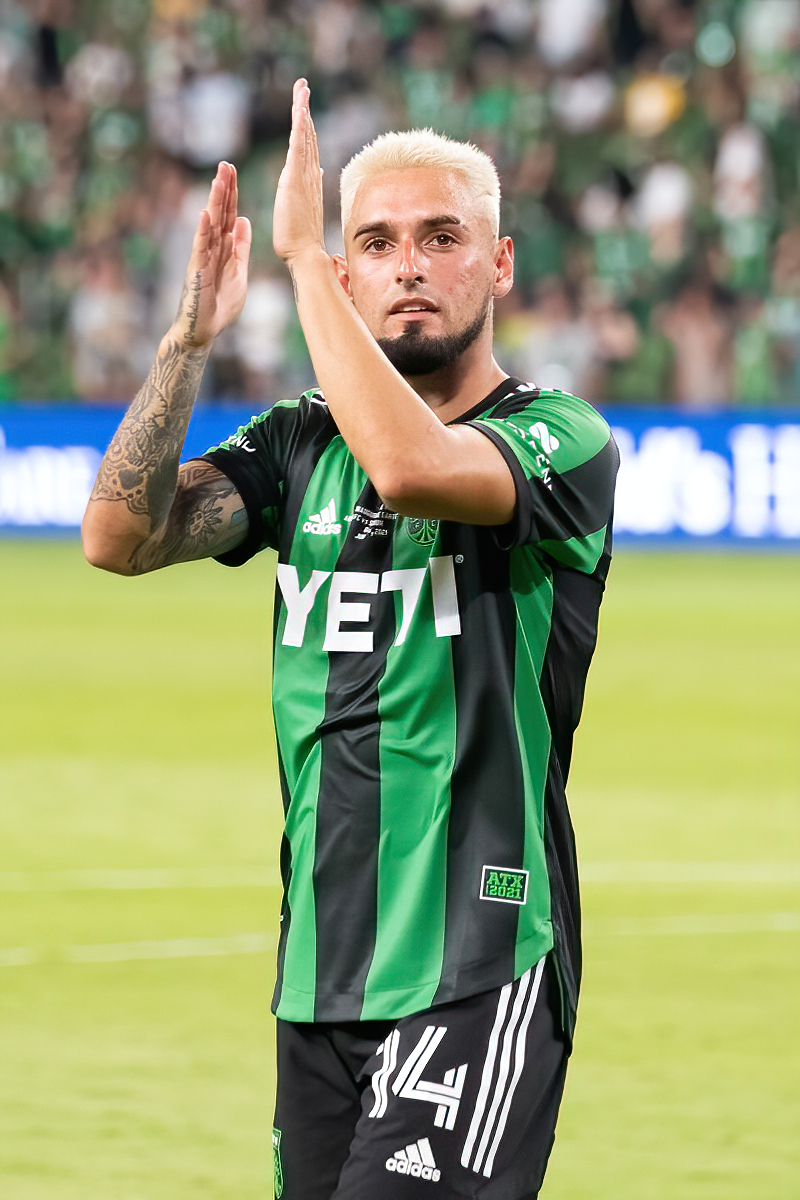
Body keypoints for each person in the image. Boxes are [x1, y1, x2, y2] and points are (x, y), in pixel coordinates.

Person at [83, 79, 619, 1200]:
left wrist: (299, 264)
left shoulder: (558, 438)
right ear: (350, 276)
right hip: (321, 968)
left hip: (478, 958)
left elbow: (414, 467)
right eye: (373, 243)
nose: (408, 266)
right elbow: (117, 537)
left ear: (501, 263)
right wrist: (187, 339)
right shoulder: (296, 447)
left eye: (440, 238)